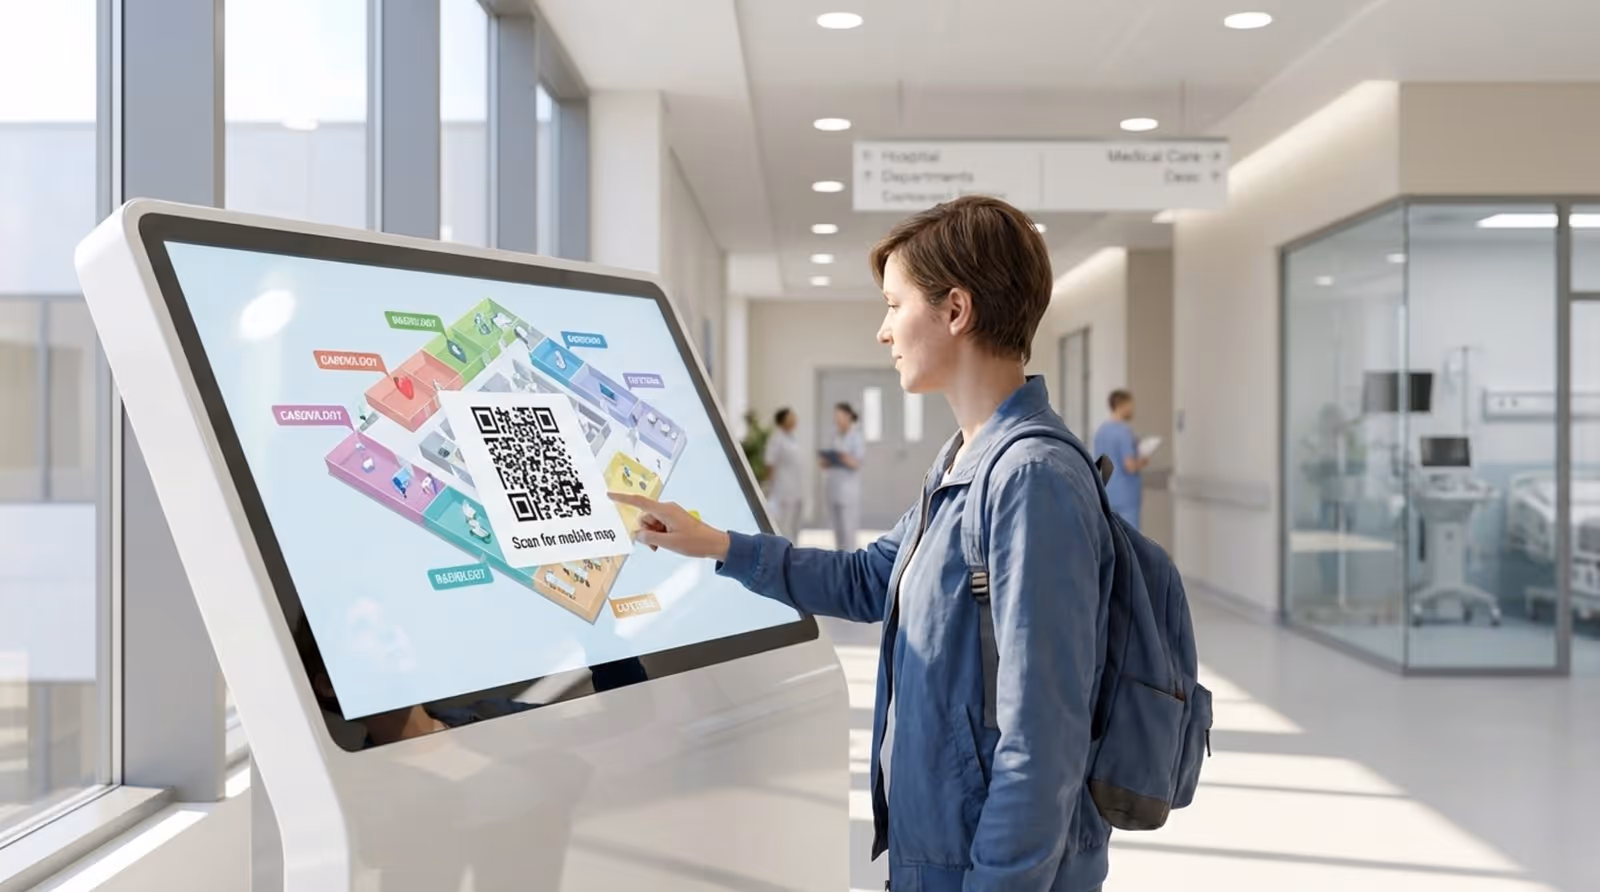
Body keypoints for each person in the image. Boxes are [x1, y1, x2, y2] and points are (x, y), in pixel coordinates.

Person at [612, 195, 1114, 892]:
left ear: (956, 311)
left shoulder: (1031, 479)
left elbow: (1043, 742)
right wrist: (718, 544)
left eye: (893, 303)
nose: (883, 331)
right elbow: (867, 579)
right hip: (934, 856)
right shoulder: (962, 463)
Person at [1093, 390, 1148, 530]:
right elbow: (1129, 466)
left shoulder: (1101, 431)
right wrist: (1142, 462)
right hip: (1126, 496)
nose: (1132, 409)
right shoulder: (1124, 431)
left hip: (1107, 494)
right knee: (1130, 541)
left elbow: (1099, 463)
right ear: (1122, 405)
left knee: (1113, 540)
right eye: (1131, 405)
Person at [822, 402, 865, 549]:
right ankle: (840, 562)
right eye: (835, 416)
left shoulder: (856, 436)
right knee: (837, 532)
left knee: (848, 532)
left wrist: (841, 457)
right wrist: (827, 461)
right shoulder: (835, 436)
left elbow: (857, 463)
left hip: (848, 491)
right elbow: (829, 462)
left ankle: (851, 563)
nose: (836, 419)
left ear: (848, 416)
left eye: (839, 416)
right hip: (833, 488)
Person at [762, 407, 805, 536]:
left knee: (794, 526)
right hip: (782, 490)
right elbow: (770, 463)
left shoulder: (792, 438)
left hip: (796, 488)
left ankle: (794, 552)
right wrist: (768, 487)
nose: (794, 419)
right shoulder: (776, 439)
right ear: (783, 420)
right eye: (791, 416)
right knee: (784, 528)